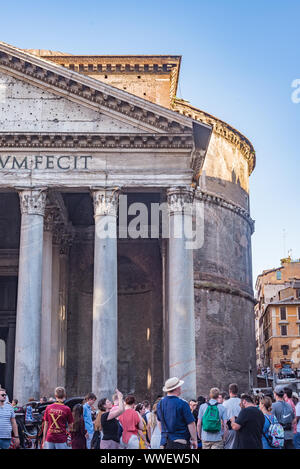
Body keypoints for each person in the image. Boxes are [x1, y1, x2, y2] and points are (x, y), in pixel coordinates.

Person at [156, 377, 197, 449]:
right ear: (177, 388)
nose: (181, 388)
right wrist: (194, 440)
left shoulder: (160, 403)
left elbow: (159, 422)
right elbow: (191, 424)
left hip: (165, 443)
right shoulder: (183, 404)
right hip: (180, 442)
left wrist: (164, 435)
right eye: (180, 386)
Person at [272, 385, 295, 449]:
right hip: (289, 435)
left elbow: (270, 420)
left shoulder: (273, 406)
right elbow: (293, 420)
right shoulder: (289, 405)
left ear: (275, 394)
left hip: (279, 437)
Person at [223, 383, 241, 449]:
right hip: (241, 429)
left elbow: (223, 417)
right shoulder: (242, 402)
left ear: (229, 391)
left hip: (230, 430)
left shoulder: (225, 403)